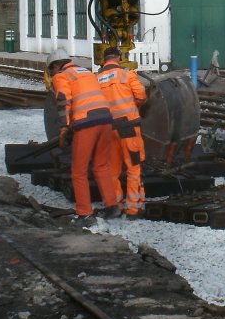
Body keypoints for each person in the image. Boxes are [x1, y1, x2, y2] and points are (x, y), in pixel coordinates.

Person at [46, 48, 121, 220]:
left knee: (78, 171)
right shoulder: (86, 72)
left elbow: (63, 100)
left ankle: (85, 213)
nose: (52, 75)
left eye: (51, 70)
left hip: (86, 122)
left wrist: (64, 128)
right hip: (106, 119)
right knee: (101, 166)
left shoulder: (62, 76)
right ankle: (112, 206)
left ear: (57, 65)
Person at [96, 46, 148, 217]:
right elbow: (141, 95)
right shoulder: (127, 74)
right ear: (119, 58)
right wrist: (132, 107)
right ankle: (133, 209)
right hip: (128, 127)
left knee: (112, 170)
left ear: (104, 60)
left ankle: (115, 205)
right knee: (133, 167)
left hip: (109, 129)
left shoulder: (97, 78)